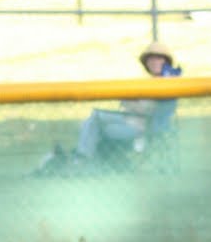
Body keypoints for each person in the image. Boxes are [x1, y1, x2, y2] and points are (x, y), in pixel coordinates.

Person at [35, 42, 182, 173]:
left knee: (95, 118)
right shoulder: (158, 80)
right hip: (132, 121)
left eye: (158, 58)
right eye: (151, 58)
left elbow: (150, 111)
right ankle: (89, 164)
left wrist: (128, 101)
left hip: (141, 127)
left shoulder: (167, 80)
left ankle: (81, 159)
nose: (154, 62)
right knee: (93, 126)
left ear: (165, 60)